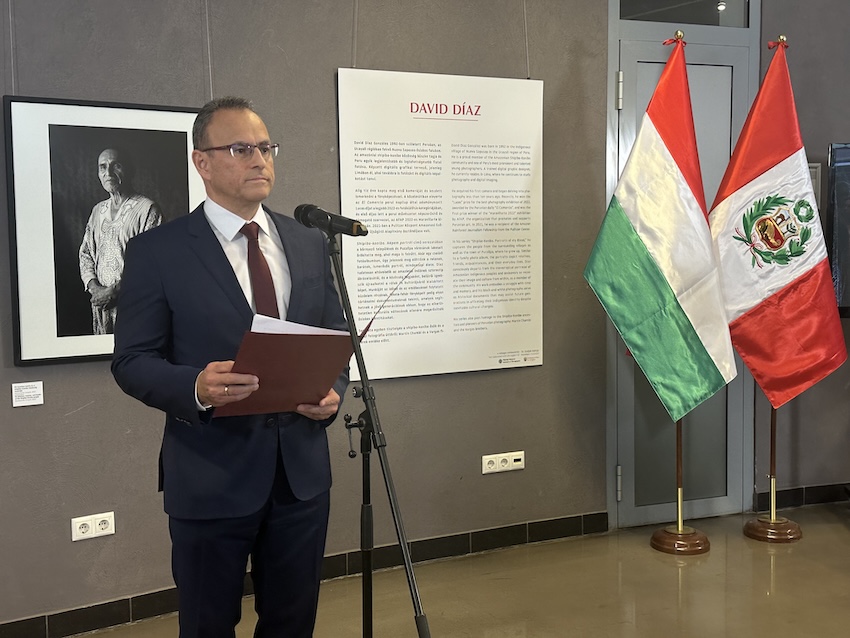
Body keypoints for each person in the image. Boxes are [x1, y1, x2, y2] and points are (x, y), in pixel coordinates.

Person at [111, 96, 349, 637]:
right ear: (202, 162)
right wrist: (195, 385)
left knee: (292, 624)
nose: (259, 160)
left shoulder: (309, 242)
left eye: (265, 147)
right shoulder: (158, 251)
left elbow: (335, 334)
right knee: (208, 626)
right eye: (241, 149)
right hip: (210, 476)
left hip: (300, 477)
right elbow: (131, 361)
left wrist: (332, 392)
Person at [79, 147, 162, 334]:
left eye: (115, 165)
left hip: (134, 306)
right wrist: (94, 288)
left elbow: (153, 264)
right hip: (101, 307)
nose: (108, 173)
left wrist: (115, 291)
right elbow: (86, 254)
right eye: (102, 167)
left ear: (130, 170)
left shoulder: (147, 209)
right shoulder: (97, 211)